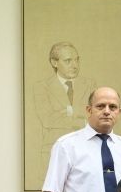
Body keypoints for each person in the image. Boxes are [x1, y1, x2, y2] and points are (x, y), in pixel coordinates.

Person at [32, 42, 97, 179]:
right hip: (53, 152)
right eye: (68, 61)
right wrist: (80, 116)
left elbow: (95, 117)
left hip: (86, 151)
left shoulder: (90, 84)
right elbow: (47, 120)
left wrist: (66, 111)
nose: (75, 65)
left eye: (77, 60)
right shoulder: (41, 87)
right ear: (54, 62)